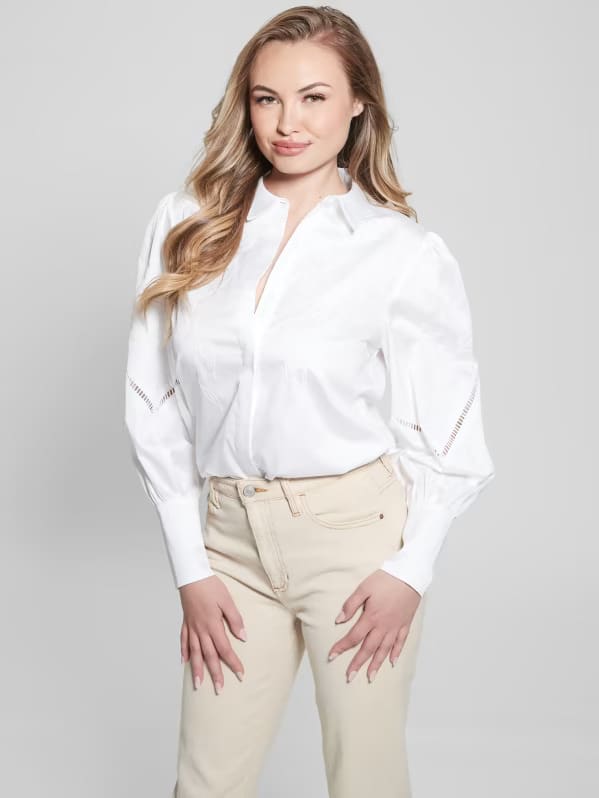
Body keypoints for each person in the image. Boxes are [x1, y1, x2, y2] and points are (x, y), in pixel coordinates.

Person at [124, 6, 495, 798]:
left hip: (356, 545)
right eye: (266, 99)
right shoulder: (186, 224)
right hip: (228, 542)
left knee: (365, 778)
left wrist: (410, 570)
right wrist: (190, 568)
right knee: (205, 782)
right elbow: (153, 404)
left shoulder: (400, 252)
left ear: (359, 102)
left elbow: (449, 430)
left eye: (313, 98)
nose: (286, 123)